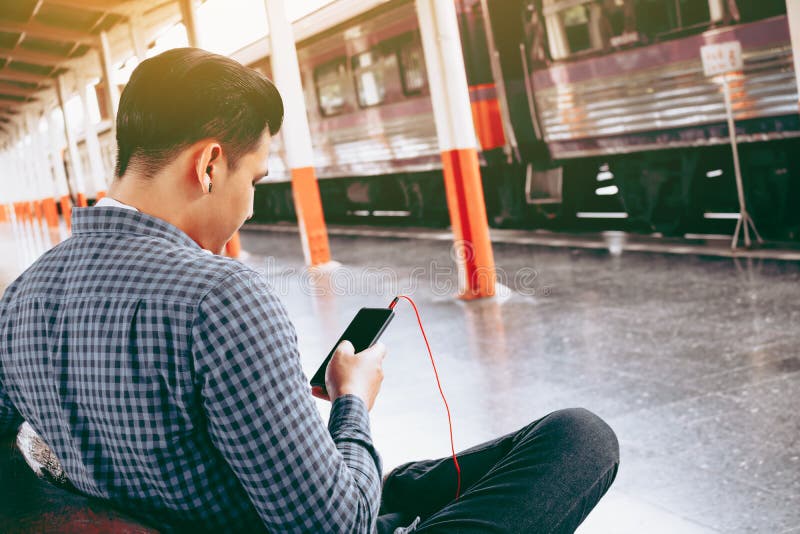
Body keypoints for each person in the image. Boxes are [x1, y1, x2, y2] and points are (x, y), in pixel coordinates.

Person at [0, 47, 618, 533]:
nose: (247, 208)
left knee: (397, 479)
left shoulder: (21, 297)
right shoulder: (220, 298)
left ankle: (384, 487)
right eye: (255, 179)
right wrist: (352, 400)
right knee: (580, 436)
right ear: (209, 164)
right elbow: (338, 527)